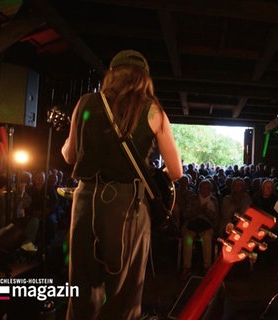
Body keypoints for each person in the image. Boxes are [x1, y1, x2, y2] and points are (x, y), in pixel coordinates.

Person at [61, 49, 182, 320]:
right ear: (144, 78)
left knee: (81, 288)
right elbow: (176, 171)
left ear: (112, 74)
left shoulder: (85, 103)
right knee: (123, 293)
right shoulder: (153, 111)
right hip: (128, 205)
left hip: (85, 199)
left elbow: (69, 155)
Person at [180, 179, 219, 280]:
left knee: (207, 237)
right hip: (192, 224)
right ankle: (186, 267)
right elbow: (186, 214)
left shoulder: (213, 200)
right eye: (202, 187)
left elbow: (215, 217)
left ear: (210, 190)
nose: (204, 190)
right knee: (188, 238)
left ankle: (207, 266)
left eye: (207, 188)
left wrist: (206, 211)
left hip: (206, 225)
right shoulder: (193, 199)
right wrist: (197, 210)